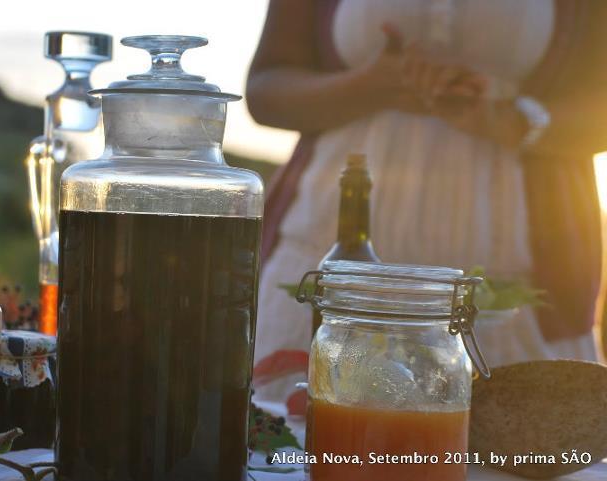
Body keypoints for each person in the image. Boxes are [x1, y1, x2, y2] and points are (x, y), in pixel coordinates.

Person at [248, 0, 607, 402]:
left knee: (522, 451)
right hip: (327, 267)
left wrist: (515, 121)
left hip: (518, 294)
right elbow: (266, 89)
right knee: (295, 450)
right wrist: (370, 86)